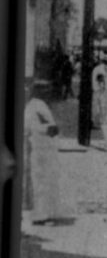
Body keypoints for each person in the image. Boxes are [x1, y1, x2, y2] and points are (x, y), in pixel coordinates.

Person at [24, 80, 63, 224]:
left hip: (46, 148)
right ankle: (40, 215)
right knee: (40, 181)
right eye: (45, 90)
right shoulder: (34, 106)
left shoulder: (39, 105)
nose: (48, 92)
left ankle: (47, 212)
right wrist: (48, 129)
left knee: (47, 181)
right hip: (38, 148)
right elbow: (31, 126)